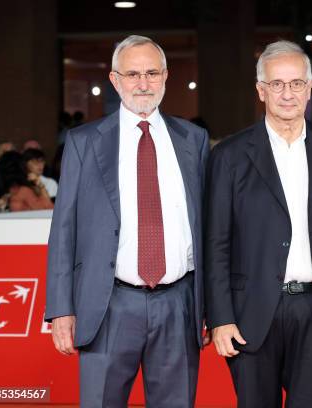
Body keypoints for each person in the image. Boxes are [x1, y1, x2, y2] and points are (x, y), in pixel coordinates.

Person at [45, 35, 209, 407]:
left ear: (166, 77)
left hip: (179, 303)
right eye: (132, 74)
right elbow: (64, 229)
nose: (143, 83)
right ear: (115, 80)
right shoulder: (84, 142)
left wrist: (211, 307)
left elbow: (207, 227)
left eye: (152, 73)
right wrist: (60, 309)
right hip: (108, 304)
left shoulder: (193, 139)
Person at [205, 40, 312, 408]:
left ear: (310, 89)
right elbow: (216, 242)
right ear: (260, 90)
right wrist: (219, 318)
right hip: (249, 313)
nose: (287, 93)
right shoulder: (230, 156)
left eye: (296, 83)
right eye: (277, 84)